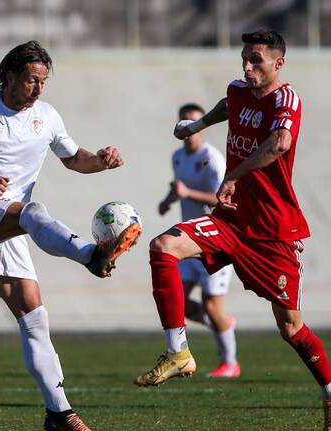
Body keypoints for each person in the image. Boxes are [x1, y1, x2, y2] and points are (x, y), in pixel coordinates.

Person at [134, 30, 331, 429]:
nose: (247, 66)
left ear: (279, 63)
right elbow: (231, 103)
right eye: (244, 58)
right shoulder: (240, 90)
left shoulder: (284, 100)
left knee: (291, 328)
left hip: (274, 232)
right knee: (162, 246)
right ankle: (179, 352)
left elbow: (278, 143)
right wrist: (198, 124)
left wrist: (233, 176)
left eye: (256, 59)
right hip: (231, 221)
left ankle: (330, 392)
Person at [0, 40, 140, 431]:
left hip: (9, 225)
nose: (38, 88)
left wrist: (101, 161)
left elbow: (73, 158)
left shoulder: (46, 116)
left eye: (43, 81)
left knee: (34, 316)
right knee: (31, 212)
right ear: (10, 76)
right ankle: (90, 254)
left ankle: (59, 413)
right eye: (32, 80)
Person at [158, 103, 240, 378]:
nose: (189, 130)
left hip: (215, 238)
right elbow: (179, 188)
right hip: (189, 240)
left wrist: (187, 192)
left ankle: (230, 362)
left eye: (194, 124)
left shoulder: (212, 158)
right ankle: (221, 323)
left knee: (211, 304)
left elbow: (223, 198)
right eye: (184, 124)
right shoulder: (178, 157)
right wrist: (168, 201)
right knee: (176, 300)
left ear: (202, 127)